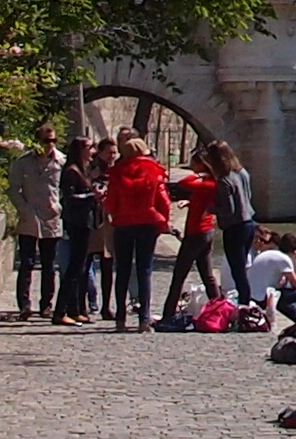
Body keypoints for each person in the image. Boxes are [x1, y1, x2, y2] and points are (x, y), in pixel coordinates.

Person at [102, 130, 175, 329]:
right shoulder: (154, 171)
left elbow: (111, 204)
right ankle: (144, 319)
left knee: (123, 270)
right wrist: (164, 221)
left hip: (124, 223)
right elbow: (164, 201)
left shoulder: (117, 173)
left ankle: (120, 319)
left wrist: (116, 213)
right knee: (144, 269)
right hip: (148, 223)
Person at [162, 150, 230, 319]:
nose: (191, 167)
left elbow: (184, 183)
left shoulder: (207, 184)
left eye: (194, 164)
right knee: (207, 276)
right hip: (206, 232)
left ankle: (168, 313)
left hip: (196, 233)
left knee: (179, 274)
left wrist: (199, 174)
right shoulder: (211, 184)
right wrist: (190, 202)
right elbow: (201, 199)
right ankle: (219, 309)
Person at [6, 129, 65, 318]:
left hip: (50, 217)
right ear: (37, 141)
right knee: (27, 262)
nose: (50, 144)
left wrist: (59, 206)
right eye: (47, 141)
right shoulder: (23, 162)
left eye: (53, 141)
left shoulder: (61, 162)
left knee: (49, 264)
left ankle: (46, 304)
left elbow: (68, 186)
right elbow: (13, 188)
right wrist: (24, 208)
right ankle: (24, 304)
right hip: (29, 217)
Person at [54, 139, 104, 324]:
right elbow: (69, 197)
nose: (92, 151)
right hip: (77, 223)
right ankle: (60, 311)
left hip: (85, 222)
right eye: (89, 147)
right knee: (74, 268)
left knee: (81, 267)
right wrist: (92, 195)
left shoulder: (84, 170)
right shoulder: (71, 171)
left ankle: (75, 310)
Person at [215, 144, 259, 303]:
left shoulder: (224, 180)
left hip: (234, 228)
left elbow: (228, 210)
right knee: (242, 269)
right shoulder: (242, 173)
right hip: (249, 223)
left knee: (238, 271)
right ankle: (245, 302)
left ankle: (244, 305)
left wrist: (209, 208)